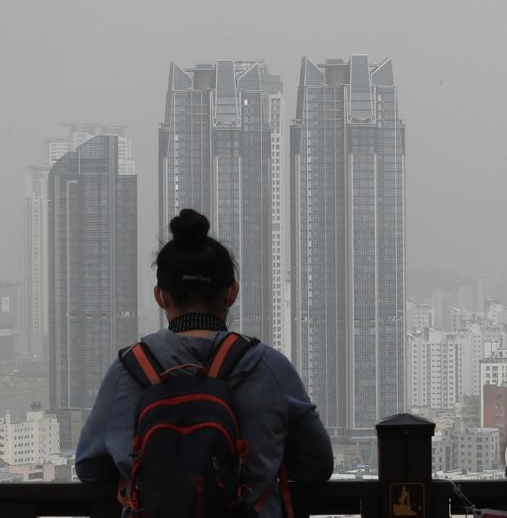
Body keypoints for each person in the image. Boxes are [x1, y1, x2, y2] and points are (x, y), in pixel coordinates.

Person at [76, 208, 333, 517]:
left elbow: (89, 467)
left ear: (160, 296)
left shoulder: (128, 371)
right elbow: (317, 465)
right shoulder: (269, 367)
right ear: (232, 294)